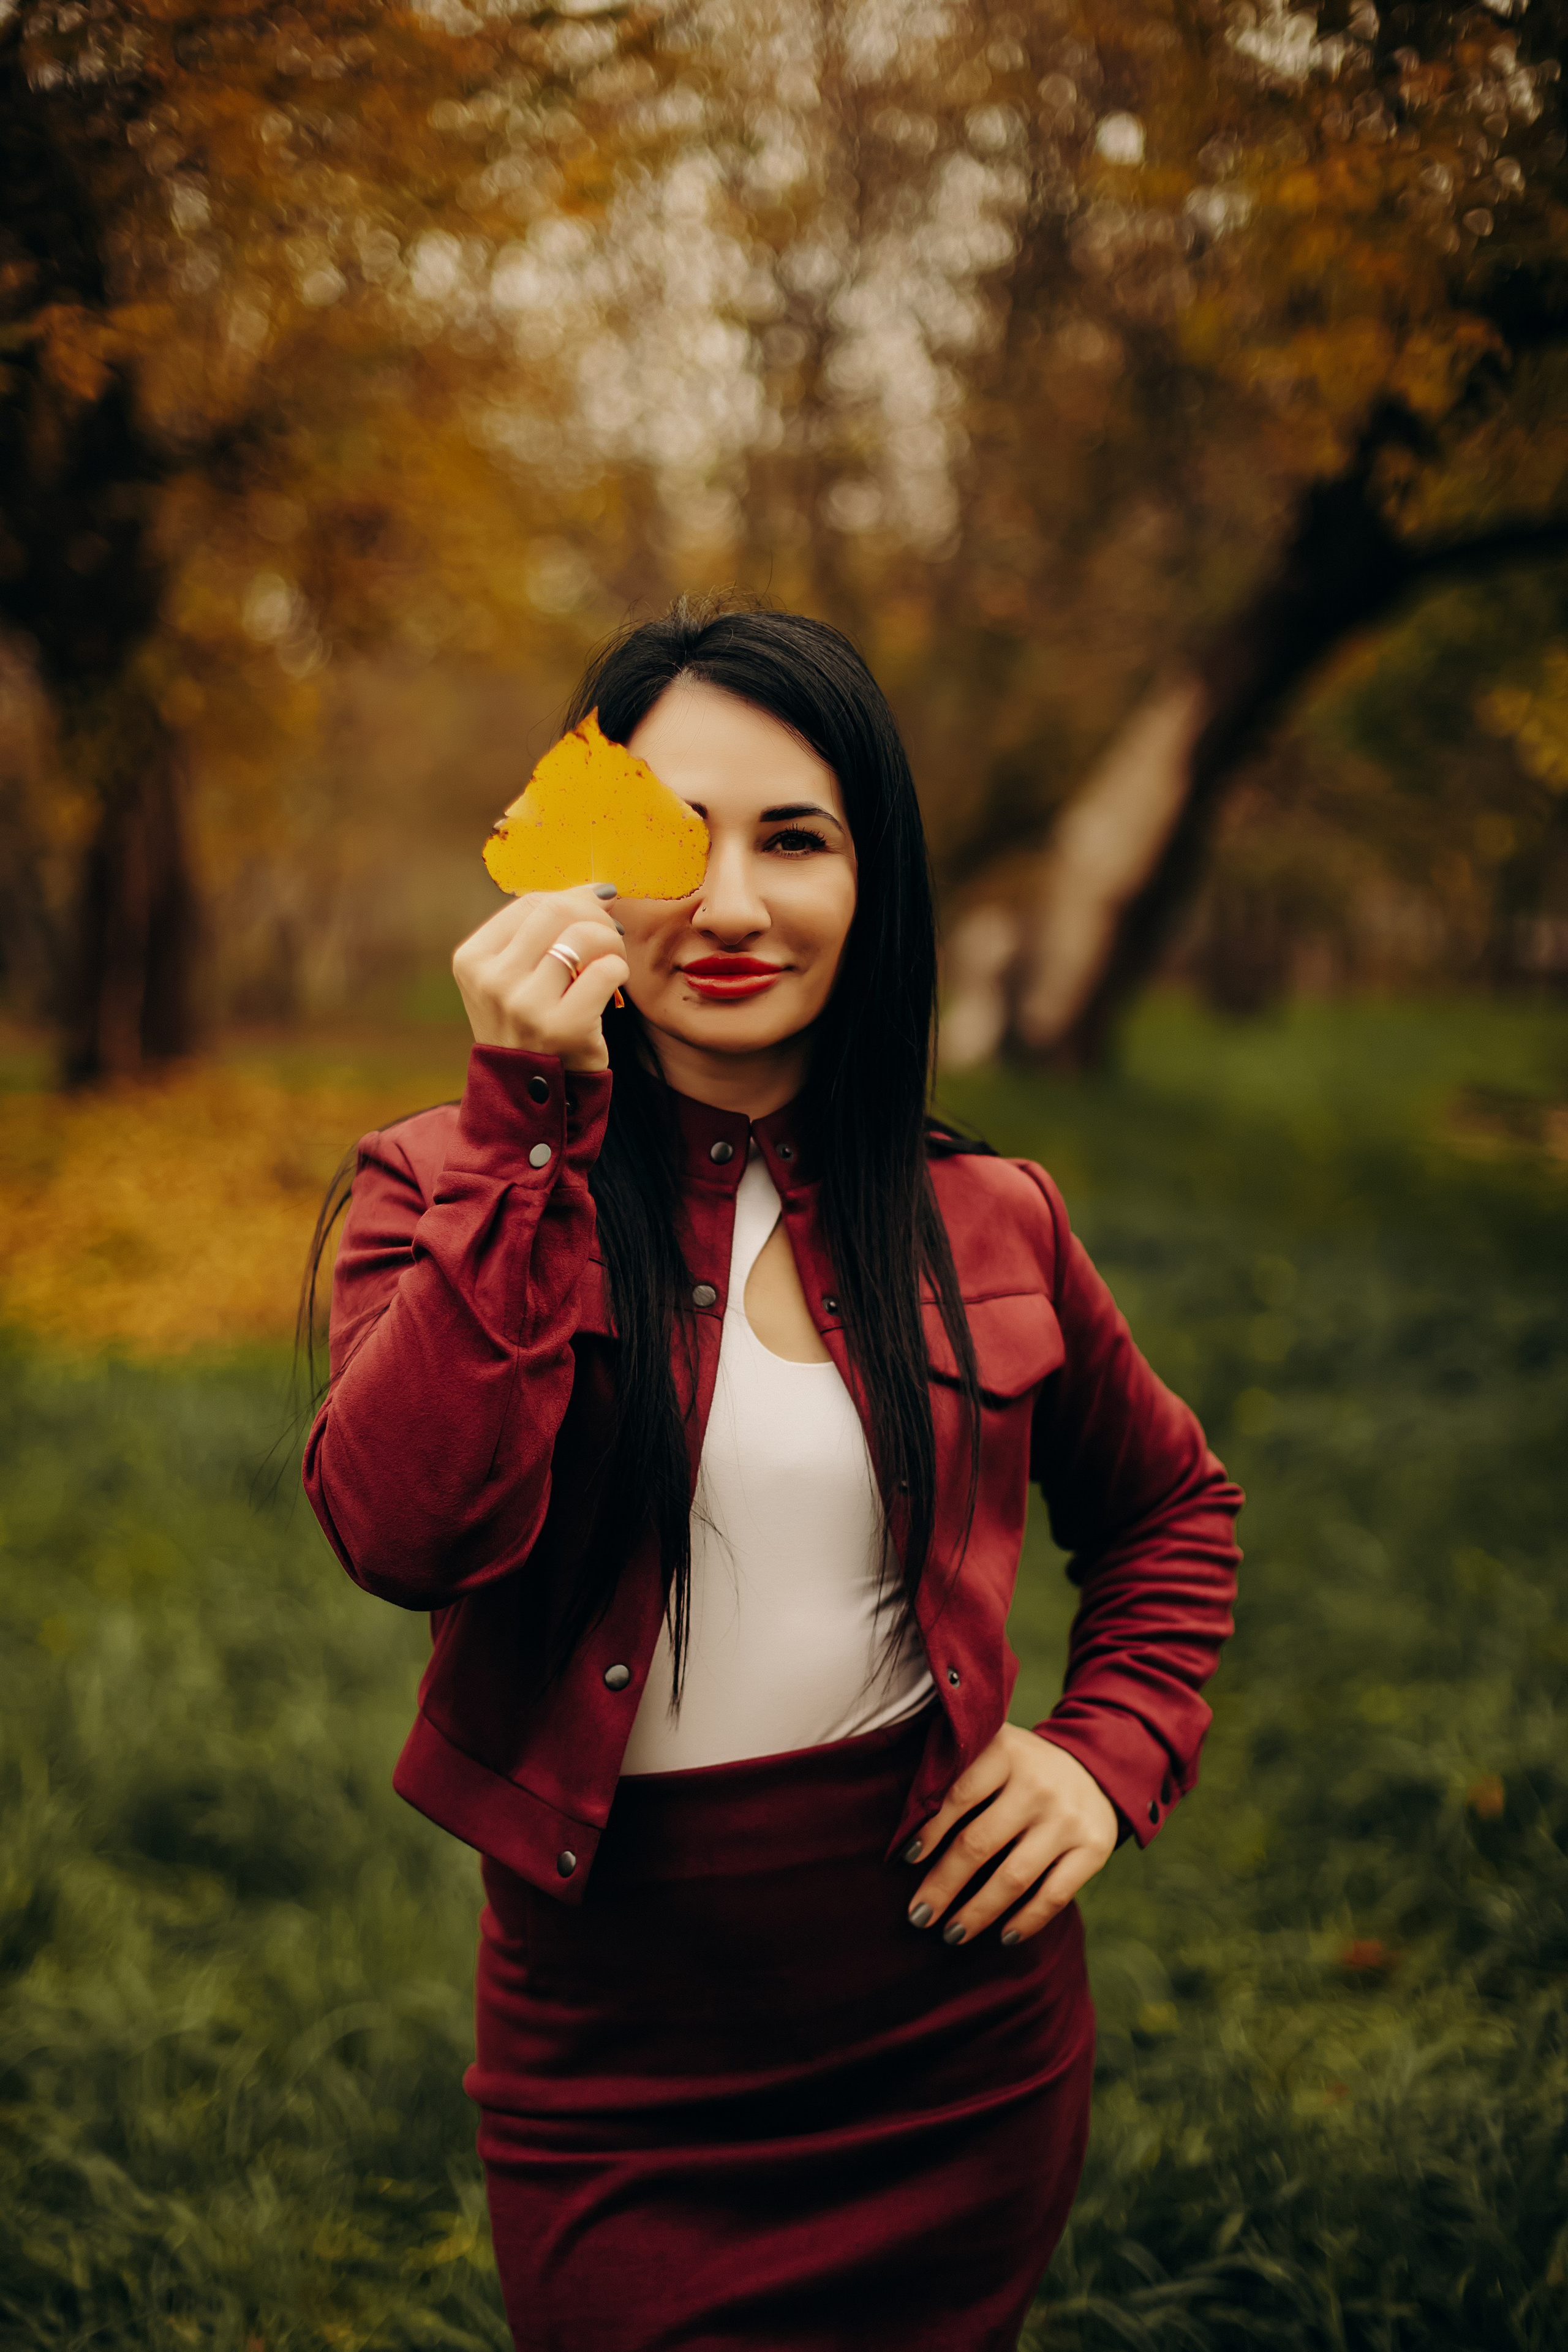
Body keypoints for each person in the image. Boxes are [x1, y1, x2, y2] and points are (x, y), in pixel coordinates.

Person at [303, 600, 1242, 2352]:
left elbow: (1171, 1509)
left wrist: (1106, 1751)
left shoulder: (992, 1216)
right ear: (582, 877)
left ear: (874, 881)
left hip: (956, 2040)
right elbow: (403, 1531)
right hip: (617, 2059)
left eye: (795, 840)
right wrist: (523, 1125)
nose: (730, 905)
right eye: (671, 843)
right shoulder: (447, 1182)